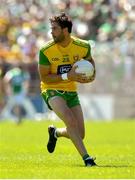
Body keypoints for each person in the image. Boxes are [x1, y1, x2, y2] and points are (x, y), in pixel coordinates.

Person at [38, 12, 97, 167]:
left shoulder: (83, 46)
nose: (51, 32)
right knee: (70, 121)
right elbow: (44, 78)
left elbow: (90, 63)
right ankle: (87, 159)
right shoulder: (45, 50)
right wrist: (67, 76)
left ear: (65, 30)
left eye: (55, 28)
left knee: (80, 134)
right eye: (51, 28)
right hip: (51, 89)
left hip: (71, 91)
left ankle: (55, 133)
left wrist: (91, 75)